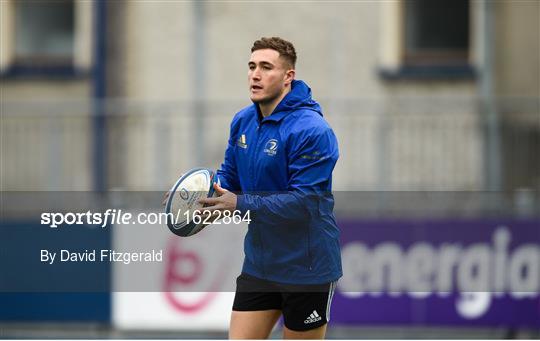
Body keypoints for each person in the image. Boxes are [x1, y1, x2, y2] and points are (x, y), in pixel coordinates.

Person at [198, 37, 342, 339]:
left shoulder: (312, 130)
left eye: (266, 67)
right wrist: (199, 196)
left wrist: (239, 204)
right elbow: (230, 179)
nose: (255, 74)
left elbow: (303, 203)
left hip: (307, 269)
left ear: (288, 77)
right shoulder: (242, 121)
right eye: (251, 66)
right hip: (260, 266)